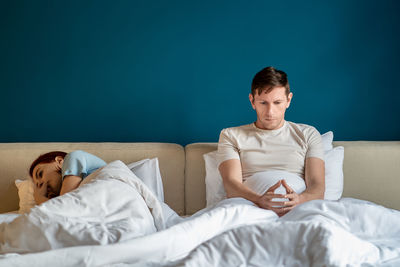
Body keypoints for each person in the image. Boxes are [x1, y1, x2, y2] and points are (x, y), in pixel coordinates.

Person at [218, 66, 325, 216]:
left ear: (288, 100)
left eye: (277, 102)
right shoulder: (231, 135)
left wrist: (299, 200)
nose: (270, 112)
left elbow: (317, 186)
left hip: (299, 210)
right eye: (263, 103)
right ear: (252, 101)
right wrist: (259, 200)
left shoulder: (308, 134)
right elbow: (231, 184)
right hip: (249, 209)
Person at [29, 150, 107, 205]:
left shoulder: (73, 157)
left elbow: (65, 205)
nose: (40, 184)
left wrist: (39, 199)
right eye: (37, 185)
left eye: (40, 174)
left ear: (59, 160)